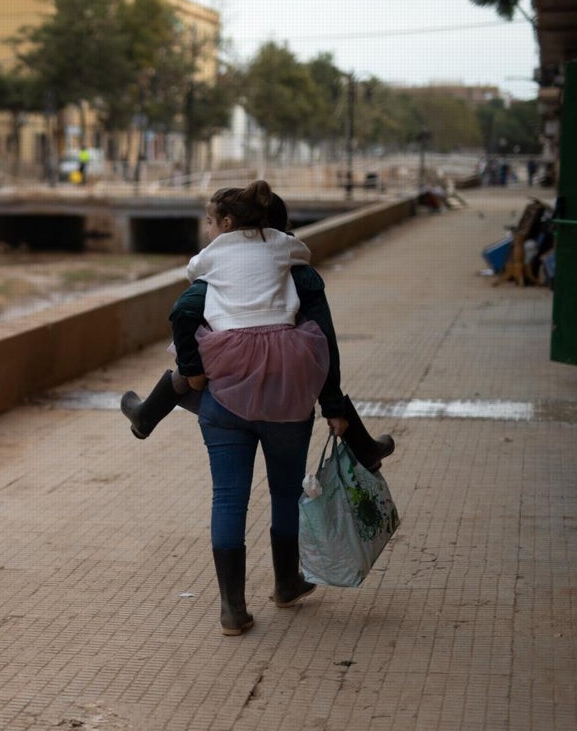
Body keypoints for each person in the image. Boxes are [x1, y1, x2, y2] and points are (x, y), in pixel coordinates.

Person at [120, 182, 394, 635]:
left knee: (228, 498)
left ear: (229, 225)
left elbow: (184, 311)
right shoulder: (299, 273)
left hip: (226, 397)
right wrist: (332, 405)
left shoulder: (214, 272)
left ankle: (233, 610)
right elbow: (323, 344)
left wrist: (191, 370)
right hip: (288, 398)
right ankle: (287, 583)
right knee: (286, 494)